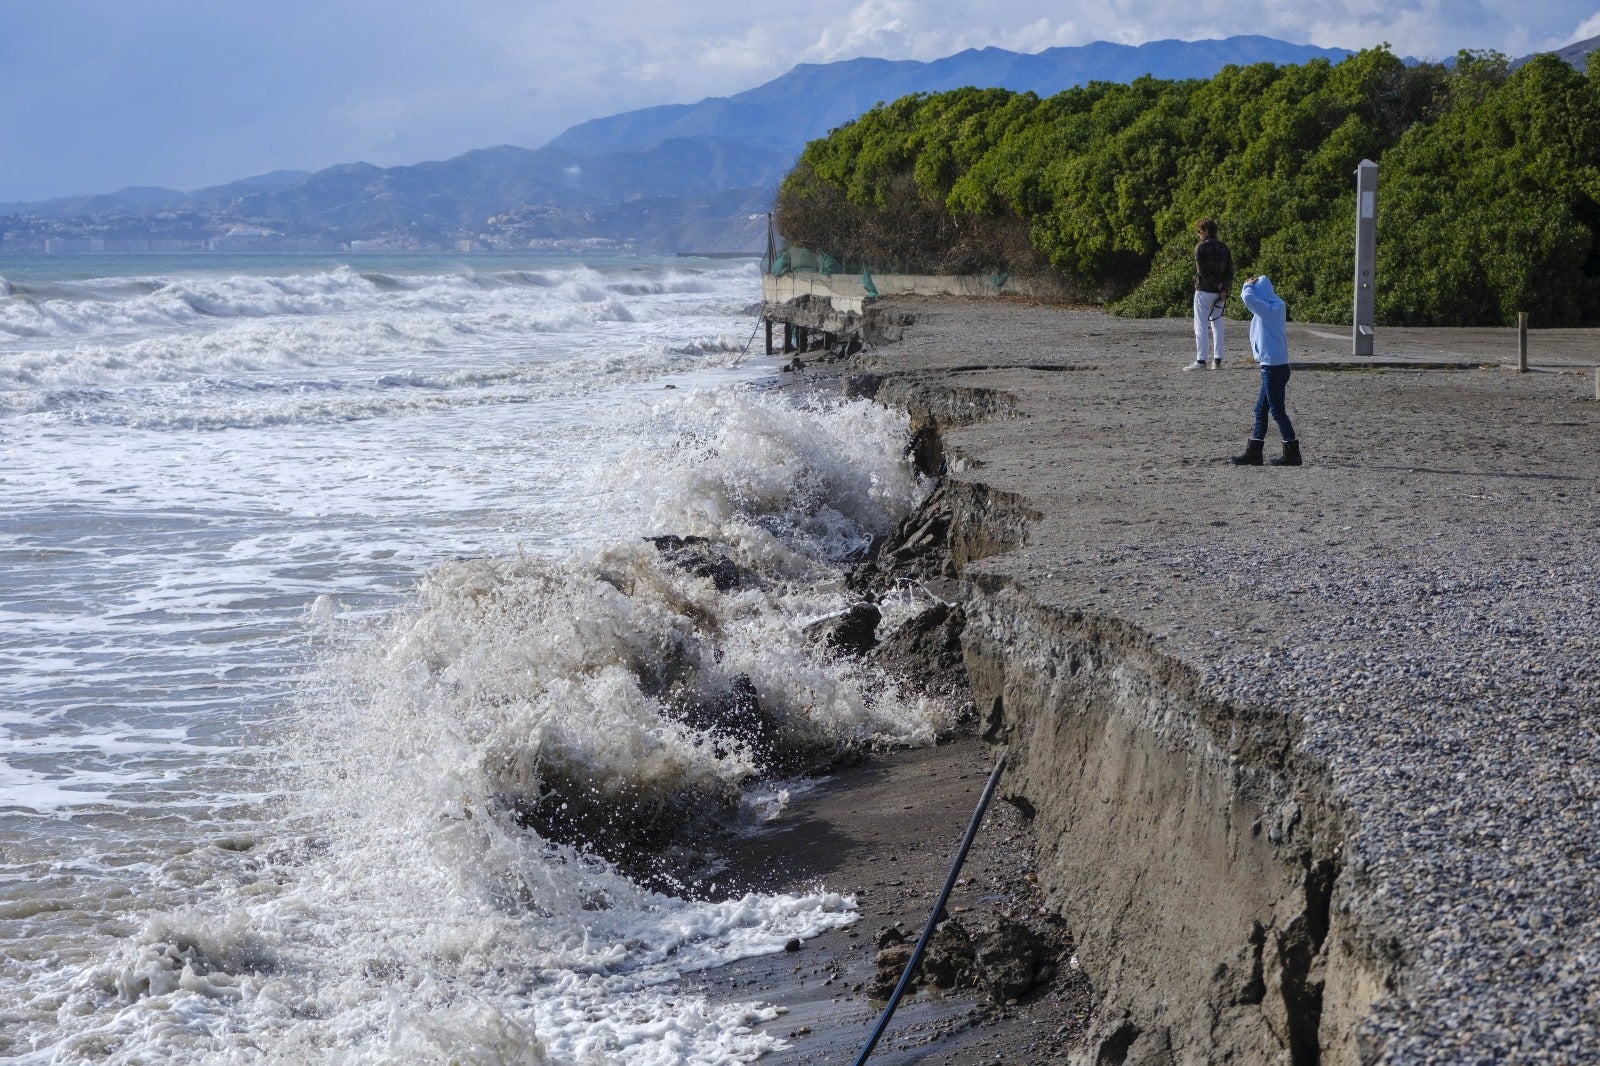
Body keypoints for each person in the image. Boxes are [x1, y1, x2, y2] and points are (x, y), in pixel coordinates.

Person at [1230, 274, 1302, 466]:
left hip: (1272, 368)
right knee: (1260, 409)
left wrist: (1247, 285)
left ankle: (1292, 452)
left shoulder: (1268, 310)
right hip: (1277, 366)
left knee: (1277, 411)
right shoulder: (1276, 305)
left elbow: (1247, 299)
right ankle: (1254, 451)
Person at [1186, 218, 1233, 371]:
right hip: (1220, 294)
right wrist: (1224, 288)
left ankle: (1201, 361)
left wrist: (1218, 285)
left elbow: (1202, 272)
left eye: (1199, 231)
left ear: (1205, 231)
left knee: (1200, 325)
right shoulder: (1224, 248)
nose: (1198, 234)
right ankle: (1218, 359)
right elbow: (1229, 272)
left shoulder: (1200, 248)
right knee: (1217, 323)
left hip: (1204, 291)